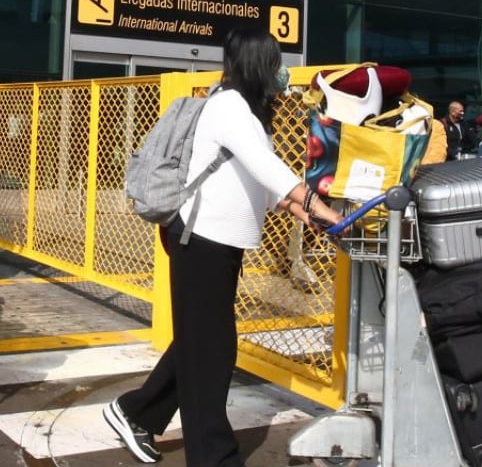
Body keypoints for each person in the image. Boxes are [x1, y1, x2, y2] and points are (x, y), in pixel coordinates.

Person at [103, 28, 341, 465]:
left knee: (200, 343)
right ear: (258, 65)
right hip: (200, 241)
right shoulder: (228, 105)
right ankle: (213, 456)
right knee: (212, 352)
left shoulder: (248, 113)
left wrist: (300, 210)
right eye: (274, 63)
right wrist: (317, 205)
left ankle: (135, 412)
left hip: (220, 245)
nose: (281, 72)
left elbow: (259, 185)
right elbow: (266, 167)